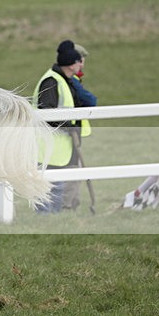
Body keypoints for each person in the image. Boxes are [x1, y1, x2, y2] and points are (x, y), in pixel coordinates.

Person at [31, 39, 90, 213]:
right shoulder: (52, 81)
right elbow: (47, 113)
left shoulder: (63, 80)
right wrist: (69, 125)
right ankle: (45, 221)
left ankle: (54, 221)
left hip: (61, 146)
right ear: (72, 64)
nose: (81, 65)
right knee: (50, 186)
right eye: (79, 61)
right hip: (50, 145)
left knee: (58, 185)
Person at [62, 43, 97, 210]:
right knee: (71, 169)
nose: (82, 65)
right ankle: (68, 205)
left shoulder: (71, 79)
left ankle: (71, 204)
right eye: (80, 61)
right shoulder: (70, 80)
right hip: (68, 133)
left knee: (73, 169)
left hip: (73, 133)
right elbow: (90, 101)